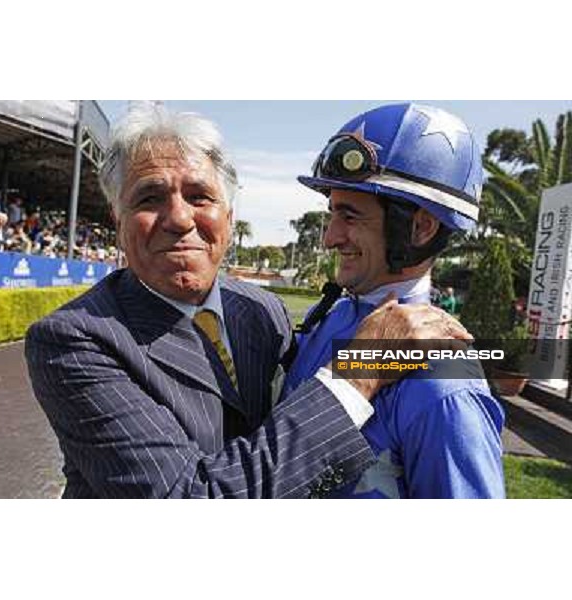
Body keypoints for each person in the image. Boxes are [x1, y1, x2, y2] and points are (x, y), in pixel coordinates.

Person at [25, 105, 471, 499]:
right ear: (116, 219)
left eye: (199, 196)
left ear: (229, 217)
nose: (180, 218)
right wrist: (361, 371)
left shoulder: (263, 310)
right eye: (149, 198)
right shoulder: (72, 340)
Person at [284, 103, 505, 498]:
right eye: (332, 214)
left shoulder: (445, 382)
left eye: (350, 217)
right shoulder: (332, 319)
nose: (329, 238)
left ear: (419, 228)